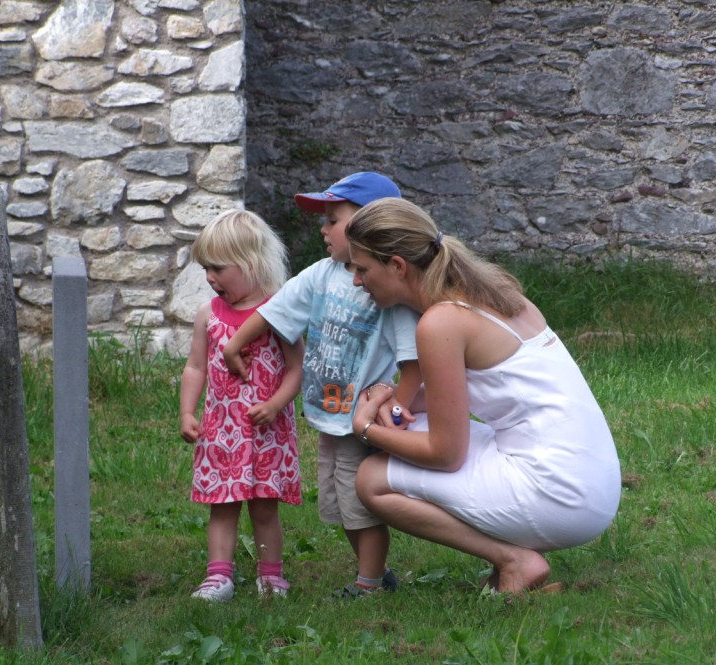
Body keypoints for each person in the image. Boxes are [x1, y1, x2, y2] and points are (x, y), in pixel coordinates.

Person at [345, 198, 621, 595]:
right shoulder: (493, 292)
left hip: (561, 494)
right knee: (409, 427)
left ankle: (514, 561)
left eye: (362, 268)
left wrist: (367, 428)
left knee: (372, 479)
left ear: (397, 266)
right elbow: (457, 395)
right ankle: (515, 556)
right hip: (592, 478)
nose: (356, 279)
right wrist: (392, 397)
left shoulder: (440, 322)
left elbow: (446, 453)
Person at [222, 173, 421, 598]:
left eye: (333, 219)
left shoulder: (387, 289)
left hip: (361, 422)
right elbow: (277, 309)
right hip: (330, 418)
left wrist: (397, 411)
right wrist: (235, 343)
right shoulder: (323, 274)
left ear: (372, 225)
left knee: (360, 508)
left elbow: (413, 363)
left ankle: (368, 583)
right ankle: (377, 573)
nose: (323, 228)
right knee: (339, 506)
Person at [179, 209, 305, 602]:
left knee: (265, 508)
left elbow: (297, 369)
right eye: (206, 269)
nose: (209, 278)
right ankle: (218, 577)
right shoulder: (207, 316)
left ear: (251, 263)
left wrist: (276, 404)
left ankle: (271, 576)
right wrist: (187, 411)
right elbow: (195, 366)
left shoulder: (277, 313)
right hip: (221, 430)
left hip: (266, 432)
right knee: (223, 506)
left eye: (217, 268)